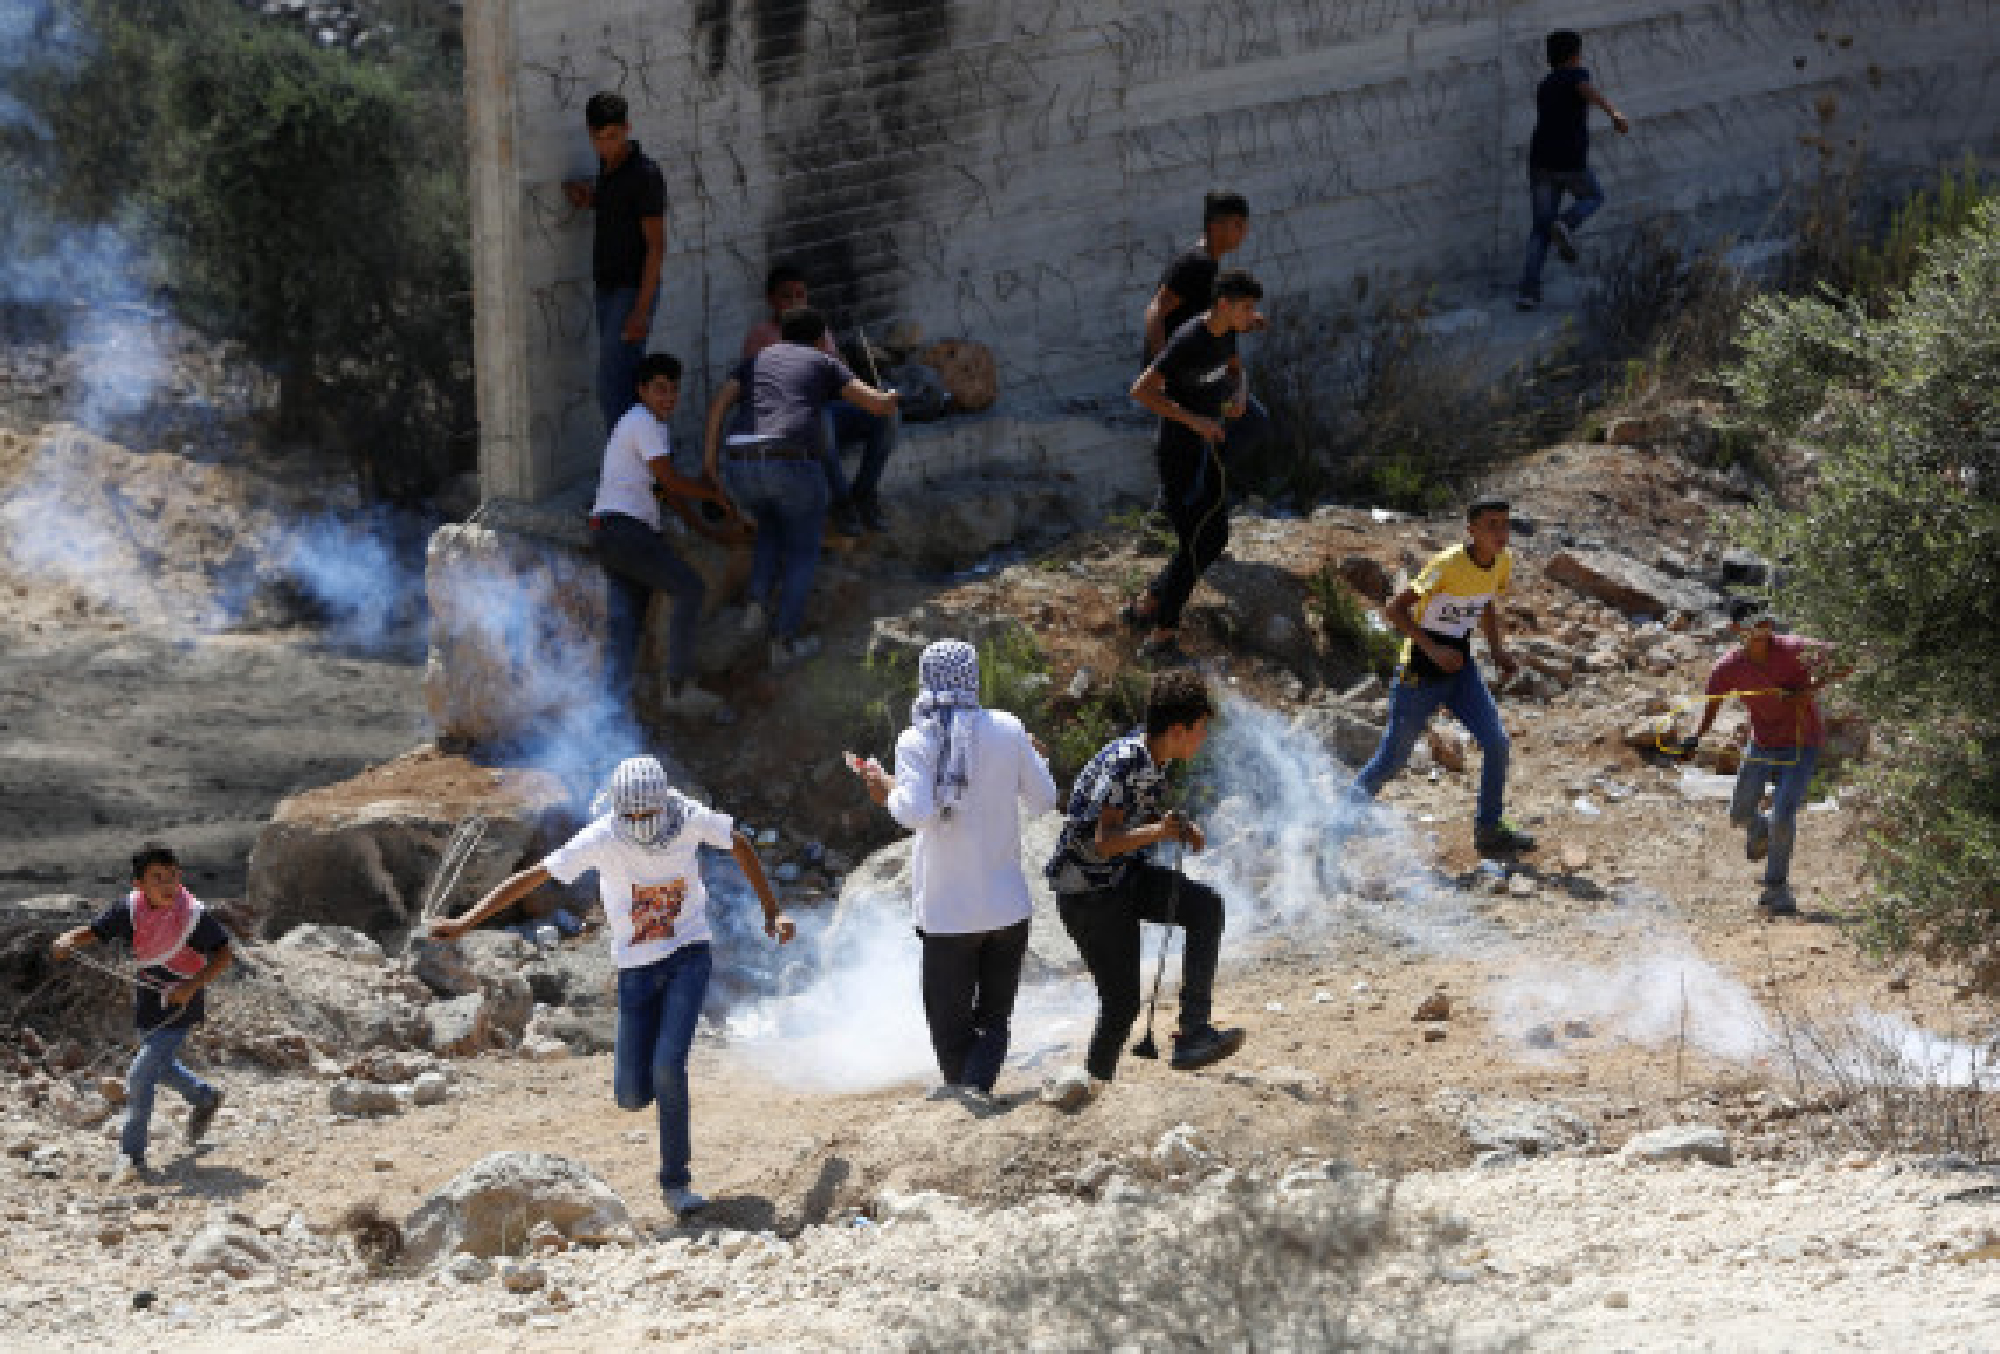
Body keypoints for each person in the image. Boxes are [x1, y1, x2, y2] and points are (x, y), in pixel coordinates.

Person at [433, 756, 794, 1217]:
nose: (641, 823)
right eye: (633, 816)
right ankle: (658, 1100)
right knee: (629, 1093)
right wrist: (465, 922)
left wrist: (772, 911)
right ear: (619, 811)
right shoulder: (602, 836)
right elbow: (533, 878)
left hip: (689, 954)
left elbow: (739, 843)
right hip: (636, 969)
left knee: (668, 1065)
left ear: (664, 804)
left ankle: (675, 1183)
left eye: (649, 814)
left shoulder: (686, 818)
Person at [853, 640, 1060, 1103]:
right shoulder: (1008, 729)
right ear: (974, 677)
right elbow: (1045, 800)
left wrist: (883, 786)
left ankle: (965, 1103)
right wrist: (1029, 757)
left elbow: (915, 813)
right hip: (1007, 908)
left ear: (926, 680)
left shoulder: (916, 739)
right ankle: (973, 1097)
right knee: (993, 1020)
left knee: (949, 1027)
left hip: (948, 915)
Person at [1046, 668, 1244, 1093]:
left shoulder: (1154, 757)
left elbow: (1135, 819)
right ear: (1177, 730)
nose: (1204, 737)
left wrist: (1174, 825)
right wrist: (1161, 832)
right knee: (1121, 1005)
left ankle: (1193, 1033)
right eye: (1200, 729)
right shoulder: (1127, 760)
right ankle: (1093, 1086)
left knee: (1205, 906)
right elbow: (1103, 841)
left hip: (1121, 878)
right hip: (1089, 894)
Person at [702, 306, 899, 669]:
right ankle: (783, 642)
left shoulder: (757, 359)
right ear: (821, 339)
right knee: (802, 552)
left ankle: (756, 604)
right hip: (791, 461)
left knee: (770, 521)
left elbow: (718, 407)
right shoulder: (822, 361)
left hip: (740, 463)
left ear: (781, 335)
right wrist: (892, 396)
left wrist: (710, 466)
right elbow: (874, 403)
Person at [1351, 497, 1536, 856]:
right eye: (1491, 524)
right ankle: (1336, 827)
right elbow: (1395, 609)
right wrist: (1433, 649)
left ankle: (1489, 828)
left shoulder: (1503, 561)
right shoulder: (1447, 563)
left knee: (1496, 742)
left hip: (1460, 668)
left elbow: (1486, 604)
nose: (1501, 532)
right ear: (1472, 530)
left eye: (1505, 524)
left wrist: (1497, 650)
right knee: (1391, 761)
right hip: (1419, 671)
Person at [51, 843, 232, 1182]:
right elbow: (95, 930)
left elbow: (223, 954)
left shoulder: (192, 914)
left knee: (139, 1075)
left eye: (173, 876)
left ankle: (131, 1155)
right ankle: (204, 1097)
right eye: (157, 877)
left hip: (181, 1002)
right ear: (139, 884)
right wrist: (68, 940)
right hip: (148, 997)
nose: (168, 885)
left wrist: (192, 986)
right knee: (158, 1068)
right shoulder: (130, 908)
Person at [1119, 269, 1266, 662]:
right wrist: (1195, 421)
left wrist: (1239, 394)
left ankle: (1147, 607)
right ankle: (1161, 631)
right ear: (1223, 305)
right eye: (1247, 307)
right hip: (1179, 452)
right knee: (1198, 541)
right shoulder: (1189, 340)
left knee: (1209, 539)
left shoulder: (1227, 332)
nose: (1252, 316)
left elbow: (1236, 370)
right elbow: (1141, 391)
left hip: (1208, 448)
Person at [590, 353, 731, 719]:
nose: (668, 397)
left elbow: (665, 492)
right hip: (626, 531)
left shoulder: (650, 428)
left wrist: (704, 526)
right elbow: (670, 481)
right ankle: (678, 689)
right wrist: (712, 494)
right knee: (690, 589)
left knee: (627, 624)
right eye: (660, 390)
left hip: (610, 534)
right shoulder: (642, 421)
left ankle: (610, 712)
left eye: (673, 390)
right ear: (642, 391)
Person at [1686, 610, 1841, 916]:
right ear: (1736, 628)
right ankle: (1759, 829)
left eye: (1765, 624)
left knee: (1783, 816)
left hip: (1802, 742)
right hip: (1761, 744)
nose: (1761, 631)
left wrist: (1809, 691)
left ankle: (1776, 891)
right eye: (1753, 625)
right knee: (1739, 815)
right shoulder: (1728, 667)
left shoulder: (1794, 648)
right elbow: (1711, 704)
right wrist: (1694, 738)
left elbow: (1843, 657)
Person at [736, 264, 898, 537]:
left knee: (889, 415)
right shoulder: (762, 336)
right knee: (819, 417)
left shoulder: (817, 330)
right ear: (771, 299)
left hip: (828, 410)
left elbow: (839, 378)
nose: (795, 302)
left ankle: (865, 493)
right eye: (787, 296)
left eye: (801, 295)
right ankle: (842, 501)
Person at [563, 92, 667, 433]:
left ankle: (629, 468)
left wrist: (641, 308)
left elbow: (656, 246)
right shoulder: (608, 170)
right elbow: (619, 210)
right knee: (618, 380)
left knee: (614, 381)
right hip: (607, 289)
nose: (605, 145)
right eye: (598, 139)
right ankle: (637, 470)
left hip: (631, 290)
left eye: (613, 137)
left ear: (627, 129)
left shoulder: (645, 175)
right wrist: (591, 200)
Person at [1516, 29, 1630, 311]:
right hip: (1570, 162)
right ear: (1575, 55)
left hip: (1540, 162)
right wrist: (1614, 113)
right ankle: (1566, 223)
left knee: (1540, 230)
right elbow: (1588, 92)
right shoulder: (1576, 76)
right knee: (1593, 197)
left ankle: (1528, 293)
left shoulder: (1545, 84)